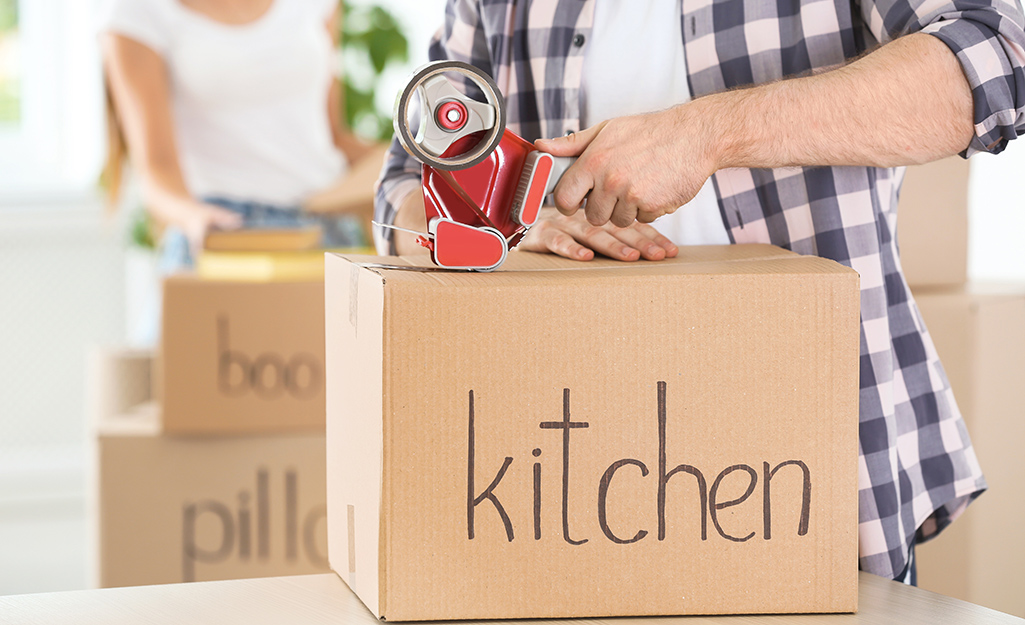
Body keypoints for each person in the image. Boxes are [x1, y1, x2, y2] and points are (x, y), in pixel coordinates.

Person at [374, 0, 1025, 583]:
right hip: (564, 475)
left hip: (809, 456)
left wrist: (709, 132)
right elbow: (408, 180)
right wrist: (503, 221)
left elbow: (998, 50)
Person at [99, 0, 373, 271]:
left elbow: (334, 137)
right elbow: (156, 170)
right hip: (225, 232)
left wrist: (403, 159)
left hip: (328, 226)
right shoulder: (139, 12)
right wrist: (195, 219)